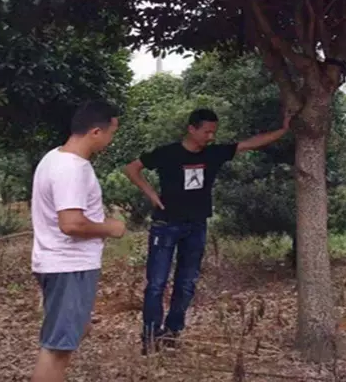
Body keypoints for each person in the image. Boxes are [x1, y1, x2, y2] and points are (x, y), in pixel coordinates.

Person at [124, 107, 290, 353]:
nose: (210, 137)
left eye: (214, 132)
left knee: (187, 283)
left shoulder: (214, 154)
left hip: (196, 225)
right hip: (166, 225)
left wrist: (283, 130)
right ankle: (150, 336)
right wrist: (152, 195)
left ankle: (172, 332)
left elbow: (250, 144)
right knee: (157, 283)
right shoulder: (167, 153)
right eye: (206, 131)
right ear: (191, 129)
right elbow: (131, 168)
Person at [30, 100, 126, 382]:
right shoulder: (72, 169)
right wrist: (110, 227)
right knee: (58, 348)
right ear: (96, 132)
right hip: (69, 266)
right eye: (111, 133)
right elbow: (71, 223)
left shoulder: (54, 158)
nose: (111, 140)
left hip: (62, 264)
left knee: (76, 330)